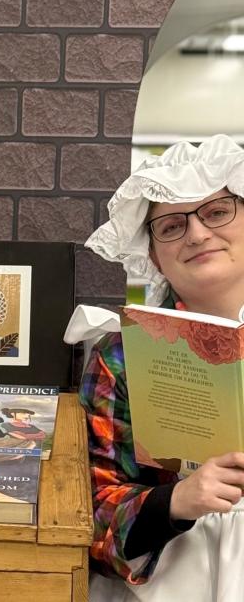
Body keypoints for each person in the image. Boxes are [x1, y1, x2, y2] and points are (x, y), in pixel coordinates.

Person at [78, 134, 244, 601]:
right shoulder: (120, 355)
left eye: (215, 212)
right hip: (171, 580)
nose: (195, 233)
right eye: (171, 225)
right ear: (152, 255)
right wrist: (177, 501)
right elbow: (89, 511)